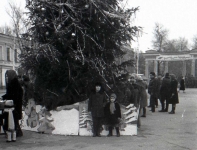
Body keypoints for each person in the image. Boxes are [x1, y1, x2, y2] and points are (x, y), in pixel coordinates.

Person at [2, 70, 23, 137]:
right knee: (13, 118)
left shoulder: (14, 83)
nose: (7, 77)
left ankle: (15, 132)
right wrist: (4, 97)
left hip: (14, 104)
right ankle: (16, 132)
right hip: (14, 103)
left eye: (8, 75)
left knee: (12, 118)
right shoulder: (13, 82)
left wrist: (7, 98)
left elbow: (13, 94)